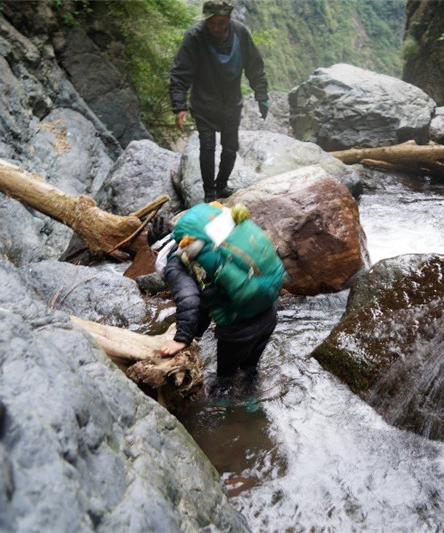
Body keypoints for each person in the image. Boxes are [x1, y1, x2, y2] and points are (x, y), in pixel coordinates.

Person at [147, 204, 280, 395]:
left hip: (238, 331)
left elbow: (189, 299)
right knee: (250, 370)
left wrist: (181, 339)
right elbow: (206, 300)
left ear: (156, 252)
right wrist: (196, 335)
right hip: (268, 312)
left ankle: (229, 417)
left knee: (223, 383)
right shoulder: (206, 247)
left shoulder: (175, 265)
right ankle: (252, 408)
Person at [169, 0, 270, 203]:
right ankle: (209, 193)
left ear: (229, 20)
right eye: (211, 23)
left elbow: (254, 66)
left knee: (230, 147)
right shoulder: (195, 36)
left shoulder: (240, 34)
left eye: (221, 23)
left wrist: (262, 95)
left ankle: (222, 184)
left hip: (231, 102)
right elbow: (181, 72)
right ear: (206, 20)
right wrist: (179, 106)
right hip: (204, 102)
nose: (216, 27)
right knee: (207, 146)